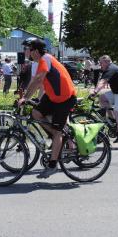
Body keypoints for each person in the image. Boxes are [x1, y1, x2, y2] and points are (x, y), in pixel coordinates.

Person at [17, 38, 77, 179]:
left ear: (36, 51)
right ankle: (57, 137)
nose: (27, 52)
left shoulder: (46, 59)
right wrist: (26, 95)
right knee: (36, 113)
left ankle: (52, 165)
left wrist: (25, 98)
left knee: (57, 132)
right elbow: (35, 81)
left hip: (65, 98)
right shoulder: (38, 62)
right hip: (52, 97)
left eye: (29, 49)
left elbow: (38, 80)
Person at [89, 55, 118, 143]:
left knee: (117, 111)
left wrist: (94, 92)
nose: (100, 65)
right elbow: (100, 81)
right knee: (102, 98)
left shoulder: (111, 69)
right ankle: (113, 120)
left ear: (106, 62)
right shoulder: (107, 69)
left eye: (101, 63)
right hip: (116, 92)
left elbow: (102, 82)